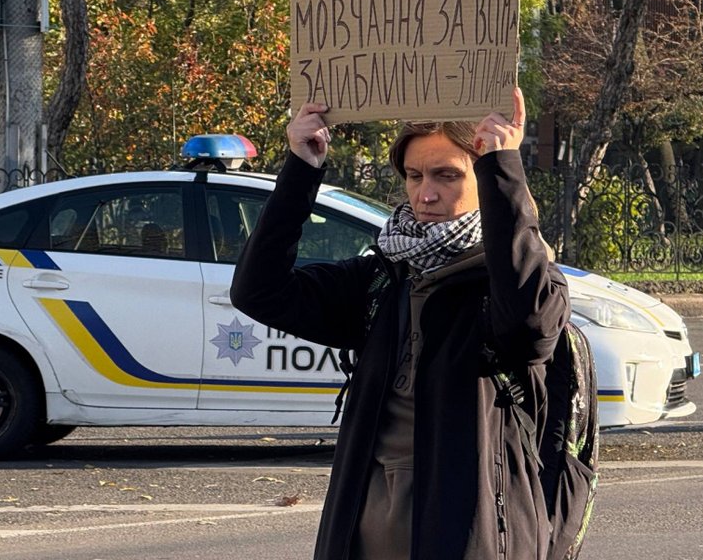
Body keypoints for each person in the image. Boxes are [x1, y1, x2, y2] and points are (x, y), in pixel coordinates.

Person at [231, 88, 570, 560]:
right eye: (414, 175)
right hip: (368, 525)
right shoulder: (382, 277)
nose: (426, 193)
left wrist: (503, 169)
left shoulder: (513, 278)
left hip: (473, 531)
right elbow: (259, 293)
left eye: (447, 175)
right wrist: (301, 170)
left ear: (485, 178)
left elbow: (530, 331)